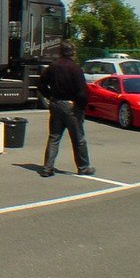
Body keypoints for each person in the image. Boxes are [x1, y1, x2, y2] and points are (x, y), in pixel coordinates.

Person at [38, 40, 94, 177]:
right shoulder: (75, 68)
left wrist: (50, 96)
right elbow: (82, 92)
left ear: (60, 51)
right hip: (71, 106)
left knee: (54, 137)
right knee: (78, 138)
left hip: (56, 104)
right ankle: (83, 167)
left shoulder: (52, 66)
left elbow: (41, 84)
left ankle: (47, 168)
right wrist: (81, 107)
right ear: (73, 52)